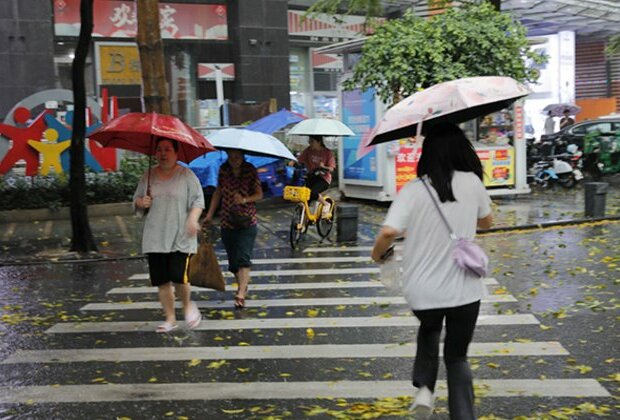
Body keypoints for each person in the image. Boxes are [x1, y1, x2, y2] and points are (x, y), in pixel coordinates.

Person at [371, 122, 493, 419]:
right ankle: (463, 414)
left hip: (423, 290)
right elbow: (487, 223)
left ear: (427, 153)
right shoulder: (472, 183)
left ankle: (425, 387)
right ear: (461, 150)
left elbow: (389, 231)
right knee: (457, 355)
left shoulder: (414, 189)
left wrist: (377, 255)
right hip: (465, 289)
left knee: (429, 329)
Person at [133, 138, 205, 333]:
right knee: (162, 280)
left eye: (167, 150)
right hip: (155, 236)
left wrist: (192, 219)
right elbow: (136, 200)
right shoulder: (148, 176)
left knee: (178, 275)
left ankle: (188, 306)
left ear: (176, 153)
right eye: (159, 150)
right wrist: (142, 202)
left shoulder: (186, 175)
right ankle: (170, 318)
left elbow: (198, 201)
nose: (163, 154)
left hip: (181, 235)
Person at [204, 149, 263, 308]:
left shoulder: (250, 170)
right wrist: (210, 214)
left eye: (237, 157)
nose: (234, 160)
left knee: (244, 258)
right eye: (231, 157)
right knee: (233, 263)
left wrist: (244, 199)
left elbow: (259, 194)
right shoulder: (224, 169)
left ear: (243, 156)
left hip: (246, 221)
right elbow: (218, 192)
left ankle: (241, 293)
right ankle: (243, 286)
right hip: (227, 220)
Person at [289, 135, 336, 216]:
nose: (310, 143)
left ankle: (326, 204)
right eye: (309, 141)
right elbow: (299, 159)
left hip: (323, 179)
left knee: (313, 193)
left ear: (319, 142)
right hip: (311, 177)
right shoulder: (308, 150)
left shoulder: (328, 153)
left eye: (312, 141)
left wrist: (323, 167)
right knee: (305, 198)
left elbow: (331, 169)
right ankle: (304, 221)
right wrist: (292, 162)